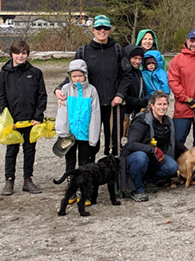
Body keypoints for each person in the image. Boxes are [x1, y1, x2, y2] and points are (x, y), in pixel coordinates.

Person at [55, 14, 127, 158]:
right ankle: (88, 172)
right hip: (90, 104)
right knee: (89, 141)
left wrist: (120, 94)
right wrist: (58, 88)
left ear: (110, 30)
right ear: (93, 30)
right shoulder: (83, 51)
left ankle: (112, 175)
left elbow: (127, 74)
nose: (102, 31)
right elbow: (73, 75)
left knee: (113, 142)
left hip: (112, 104)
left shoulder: (118, 50)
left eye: (106, 28)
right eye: (99, 27)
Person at [0, 40, 47, 195]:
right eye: (17, 53)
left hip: (31, 120)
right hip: (13, 122)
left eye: (24, 53)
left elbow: (42, 96)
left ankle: (28, 180)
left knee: (30, 150)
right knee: (11, 150)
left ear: (27, 54)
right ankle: (9, 180)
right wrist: (7, 120)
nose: (20, 56)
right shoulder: (3, 75)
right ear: (11, 54)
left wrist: (38, 115)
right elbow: (0, 99)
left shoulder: (36, 73)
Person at [121, 90, 184, 202]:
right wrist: (153, 149)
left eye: (165, 104)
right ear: (152, 105)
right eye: (159, 104)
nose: (162, 107)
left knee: (172, 167)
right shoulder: (141, 120)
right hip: (135, 156)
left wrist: (188, 151)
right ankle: (137, 189)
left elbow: (173, 141)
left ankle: (149, 180)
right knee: (141, 157)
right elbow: (131, 144)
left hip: (154, 158)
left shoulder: (167, 121)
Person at [55, 59, 101, 180]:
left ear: (85, 75)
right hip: (69, 134)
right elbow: (62, 112)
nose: (77, 79)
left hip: (85, 133)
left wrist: (93, 137)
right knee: (70, 161)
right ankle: (71, 184)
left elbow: (95, 114)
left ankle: (83, 185)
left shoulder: (92, 91)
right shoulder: (65, 89)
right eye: (74, 76)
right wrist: (62, 132)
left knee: (84, 162)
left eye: (80, 76)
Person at [122, 46, 148, 118]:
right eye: (135, 58)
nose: (137, 62)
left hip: (137, 112)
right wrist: (142, 102)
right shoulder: (122, 74)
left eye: (140, 59)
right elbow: (123, 96)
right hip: (125, 113)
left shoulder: (138, 73)